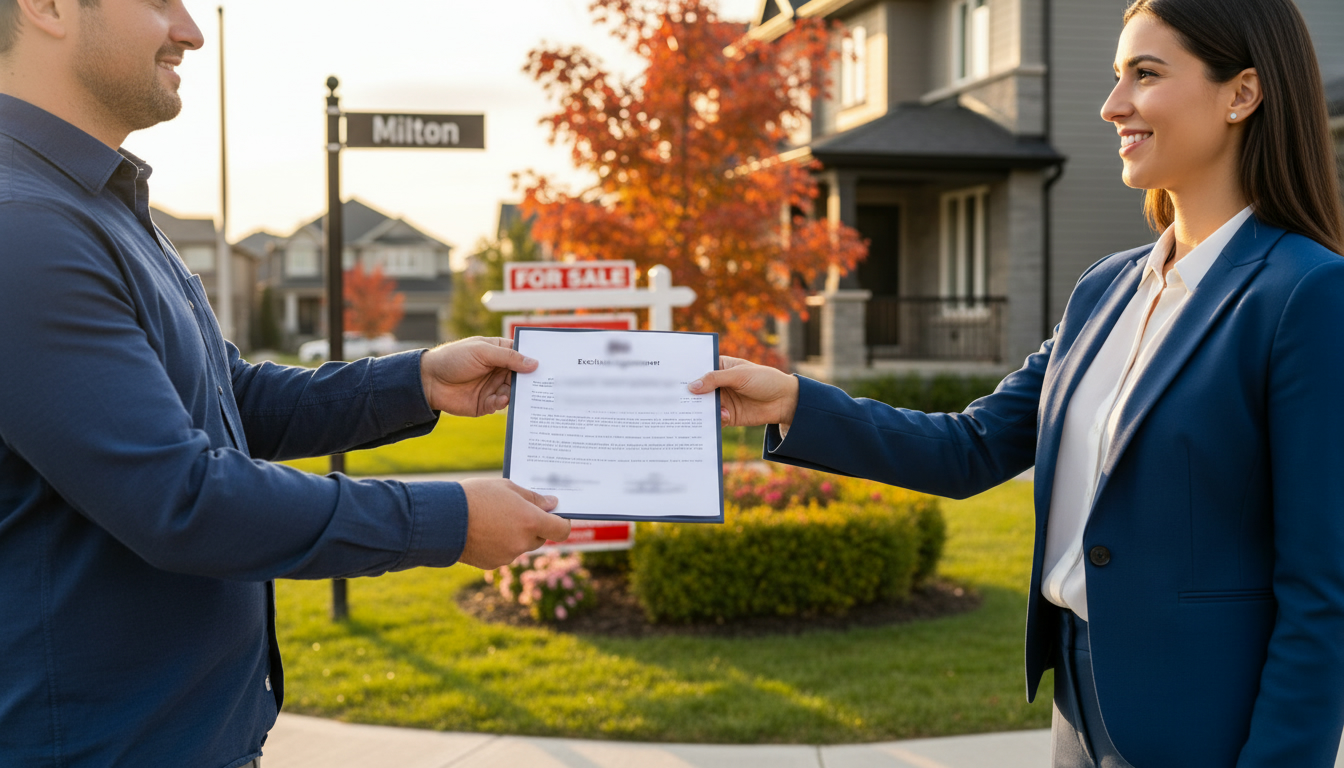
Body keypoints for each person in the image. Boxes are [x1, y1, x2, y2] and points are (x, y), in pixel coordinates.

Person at [692, 0, 1344, 765]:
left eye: (1146, 74)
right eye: (1114, 76)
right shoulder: (1107, 289)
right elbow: (971, 447)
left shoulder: (1306, 293)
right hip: (1078, 701)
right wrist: (795, 401)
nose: (1112, 106)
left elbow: (1322, 594)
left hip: (1203, 725)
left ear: (1242, 94)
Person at [0, 0, 570, 766]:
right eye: (159, 1)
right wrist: (448, 520)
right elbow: (181, 501)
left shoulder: (100, 206)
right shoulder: (25, 226)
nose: (191, 30)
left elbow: (227, 402)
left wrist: (420, 381)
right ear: (48, 7)